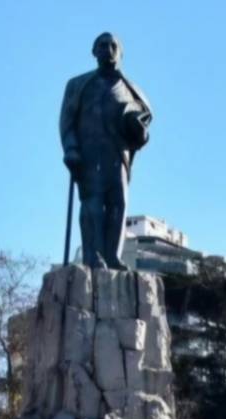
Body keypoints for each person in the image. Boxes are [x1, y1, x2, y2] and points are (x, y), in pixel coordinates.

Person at [59, 33, 153, 269]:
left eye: (113, 46)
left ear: (120, 53)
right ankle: (92, 256)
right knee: (92, 204)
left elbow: (143, 132)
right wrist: (71, 148)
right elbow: (67, 121)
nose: (108, 50)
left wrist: (138, 128)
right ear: (94, 52)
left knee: (118, 204)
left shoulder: (132, 92)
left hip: (117, 156)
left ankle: (112, 255)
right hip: (89, 155)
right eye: (102, 45)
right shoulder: (78, 85)